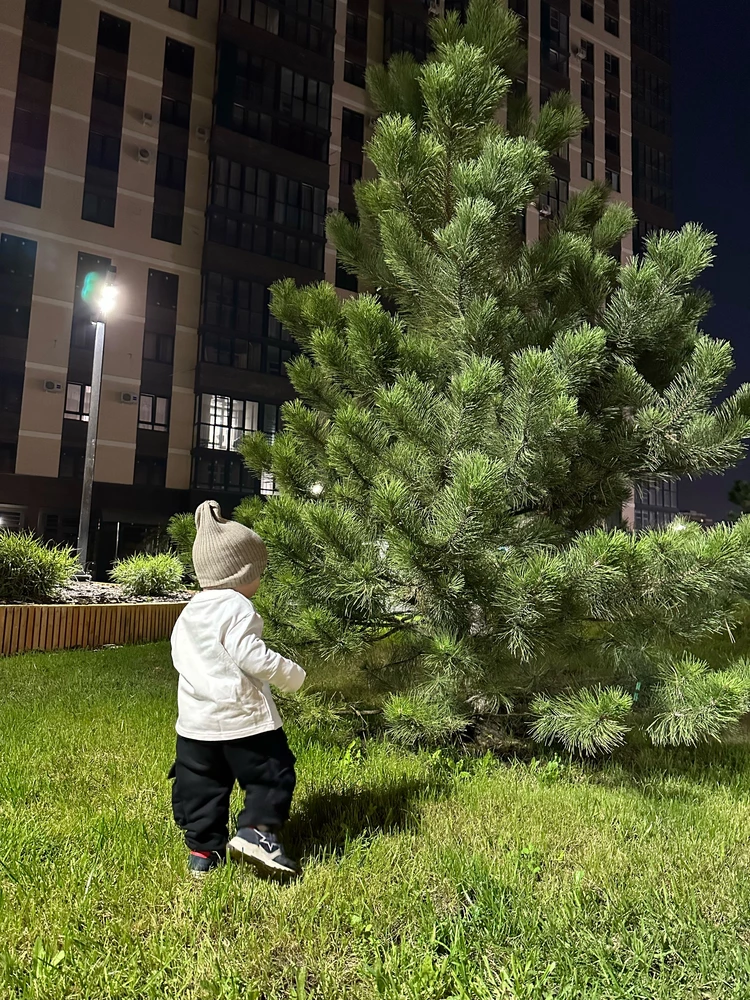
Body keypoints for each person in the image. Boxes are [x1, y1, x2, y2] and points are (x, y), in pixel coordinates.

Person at [168, 499, 306, 878]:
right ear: (241, 573)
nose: (260, 580)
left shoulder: (190, 611)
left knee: (202, 789)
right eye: (257, 572)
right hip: (244, 722)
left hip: (195, 727)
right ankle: (257, 832)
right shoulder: (237, 606)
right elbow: (252, 655)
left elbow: (180, 656)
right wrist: (291, 674)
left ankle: (203, 851)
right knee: (272, 773)